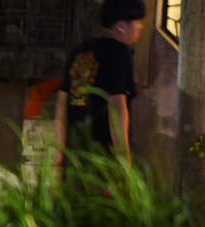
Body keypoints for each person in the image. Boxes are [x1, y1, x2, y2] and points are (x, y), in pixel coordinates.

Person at [54, 0, 147, 166]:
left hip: (74, 154)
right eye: (137, 22)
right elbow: (117, 106)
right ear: (121, 26)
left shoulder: (79, 50)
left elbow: (61, 104)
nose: (141, 27)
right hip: (102, 156)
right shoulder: (118, 51)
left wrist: (59, 154)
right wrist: (124, 159)